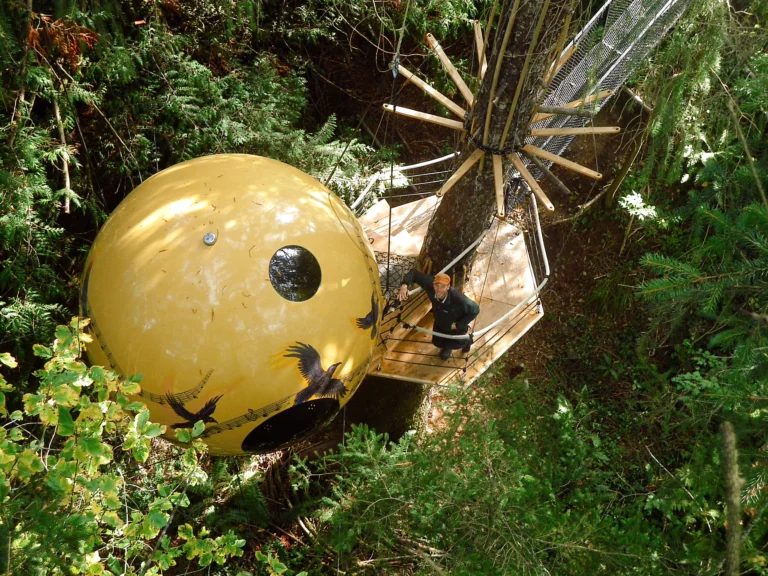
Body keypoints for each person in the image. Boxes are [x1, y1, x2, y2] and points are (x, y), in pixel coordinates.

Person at [397, 270, 480, 361]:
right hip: (440, 322)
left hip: (454, 328)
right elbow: (414, 273)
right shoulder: (430, 286)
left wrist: (459, 325)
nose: (439, 290)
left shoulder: (458, 299)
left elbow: (475, 310)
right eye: (436, 286)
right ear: (433, 284)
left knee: (454, 342)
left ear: (448, 287)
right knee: (437, 342)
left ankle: (466, 342)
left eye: (443, 287)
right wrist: (404, 285)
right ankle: (447, 346)